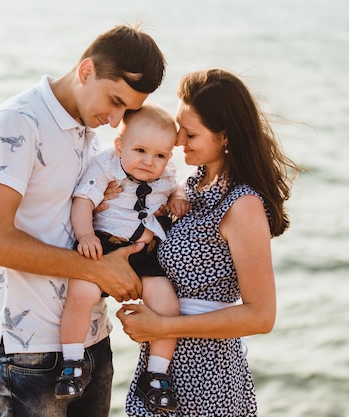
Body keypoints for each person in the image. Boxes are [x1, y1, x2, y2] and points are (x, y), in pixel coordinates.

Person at [0, 24, 167, 417]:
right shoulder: (19, 122)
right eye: (113, 101)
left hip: (93, 342)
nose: (115, 120)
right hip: (32, 352)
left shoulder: (92, 136)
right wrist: (100, 272)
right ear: (86, 71)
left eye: (125, 111)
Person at [116, 68, 298, 417]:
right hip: (160, 367)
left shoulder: (242, 205)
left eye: (191, 134)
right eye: (180, 128)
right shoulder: (189, 186)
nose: (178, 141)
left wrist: (164, 326)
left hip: (207, 378)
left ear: (225, 136)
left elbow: (262, 316)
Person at [56, 103, 189, 412]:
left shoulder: (167, 175)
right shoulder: (105, 166)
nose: (148, 162)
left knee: (168, 304)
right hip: (103, 245)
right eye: (140, 150)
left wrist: (178, 199)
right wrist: (86, 235)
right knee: (81, 293)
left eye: (159, 155)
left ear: (170, 157)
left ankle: (156, 375)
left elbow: (175, 190)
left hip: (144, 253)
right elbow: (82, 202)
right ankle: (72, 363)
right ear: (120, 146)